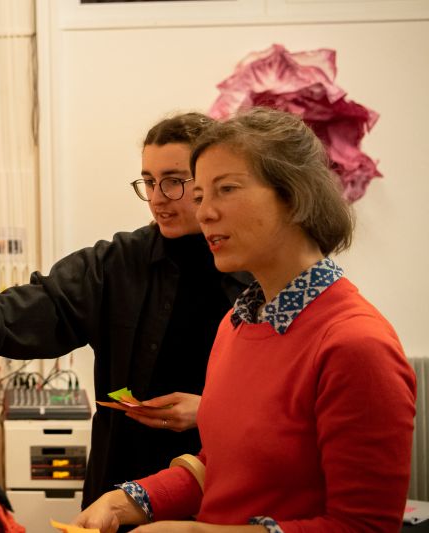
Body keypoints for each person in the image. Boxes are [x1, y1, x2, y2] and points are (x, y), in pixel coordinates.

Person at [0, 113, 251, 508]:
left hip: (222, 487)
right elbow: (33, 305)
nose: (157, 197)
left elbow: (283, 402)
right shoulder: (119, 262)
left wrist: (210, 412)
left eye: (173, 181)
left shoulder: (256, 272)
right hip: (121, 479)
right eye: (149, 182)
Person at [74, 107, 416, 532]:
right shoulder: (238, 323)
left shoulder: (355, 345)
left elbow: (365, 526)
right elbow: (218, 465)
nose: (205, 213)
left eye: (226, 189)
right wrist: (131, 499)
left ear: (294, 196)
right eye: (199, 196)